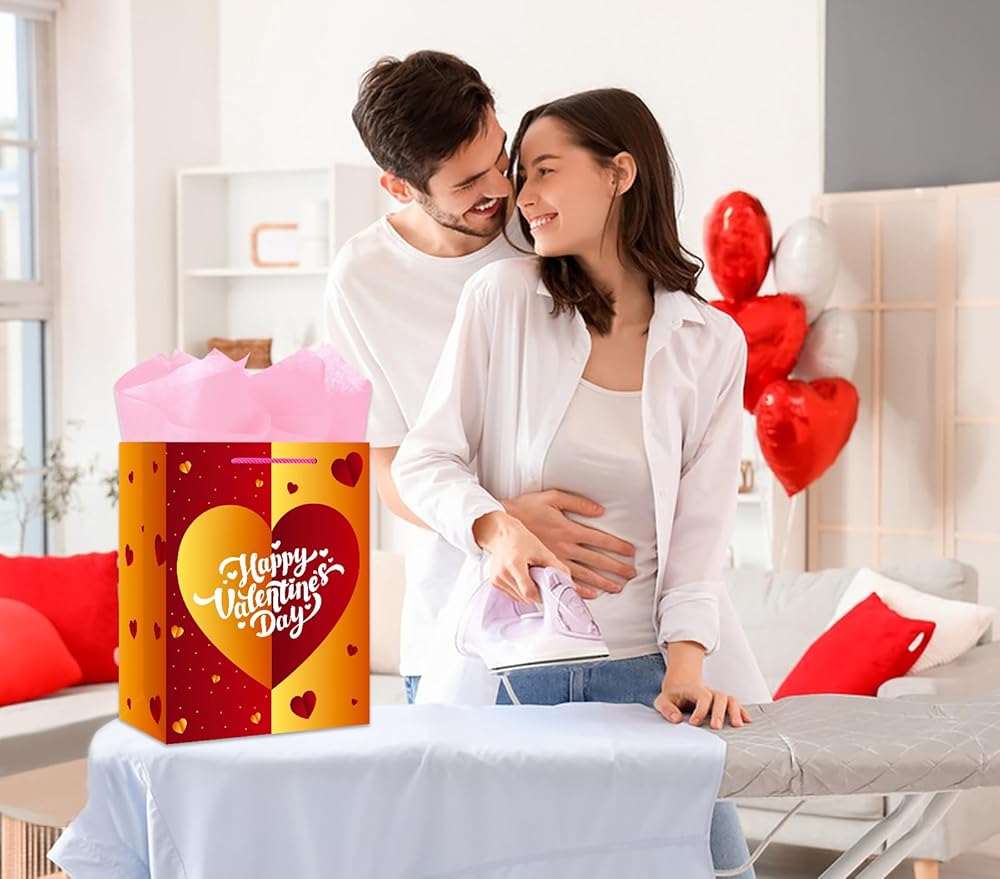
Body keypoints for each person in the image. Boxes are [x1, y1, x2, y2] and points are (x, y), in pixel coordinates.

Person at [392, 88, 773, 879]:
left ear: (619, 172)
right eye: (520, 174)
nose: (521, 196)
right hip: (515, 676)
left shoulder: (711, 342)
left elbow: (700, 537)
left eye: (544, 170)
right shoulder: (502, 302)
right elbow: (422, 460)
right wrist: (494, 526)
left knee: (716, 869)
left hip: (648, 673)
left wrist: (687, 670)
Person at [326, 52, 639, 705]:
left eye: (501, 156)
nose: (503, 188)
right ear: (400, 187)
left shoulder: (548, 224)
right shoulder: (361, 280)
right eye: (469, 182)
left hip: (615, 620)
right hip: (458, 627)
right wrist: (495, 519)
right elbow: (388, 467)